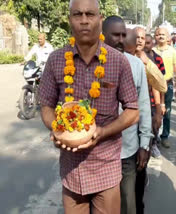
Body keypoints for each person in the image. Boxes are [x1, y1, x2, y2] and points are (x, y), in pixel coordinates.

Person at [39, 1, 139, 213]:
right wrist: (56, 129)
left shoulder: (118, 61)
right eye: (77, 14)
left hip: (106, 167)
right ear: (70, 20)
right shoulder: (56, 60)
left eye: (90, 14)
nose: (84, 20)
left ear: (100, 19)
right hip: (71, 169)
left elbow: (133, 111)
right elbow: (46, 105)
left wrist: (103, 132)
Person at [102, 16, 152, 214]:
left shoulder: (136, 65)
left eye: (124, 35)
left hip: (127, 151)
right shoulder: (94, 65)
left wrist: (145, 144)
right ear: (103, 36)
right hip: (99, 153)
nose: (121, 40)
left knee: (129, 206)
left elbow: (144, 107)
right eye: (115, 35)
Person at [137, 31, 167, 158]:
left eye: (142, 38)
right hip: (127, 111)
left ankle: (152, 145)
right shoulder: (123, 57)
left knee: (147, 138)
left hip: (147, 105)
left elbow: (160, 86)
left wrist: (159, 108)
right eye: (136, 37)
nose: (139, 41)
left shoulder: (149, 61)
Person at [153, 27, 176, 148]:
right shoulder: (152, 50)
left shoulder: (172, 51)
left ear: (168, 37)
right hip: (154, 86)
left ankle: (165, 136)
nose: (160, 36)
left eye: (163, 34)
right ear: (155, 36)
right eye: (158, 34)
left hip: (168, 85)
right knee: (155, 111)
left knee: (167, 112)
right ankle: (154, 137)